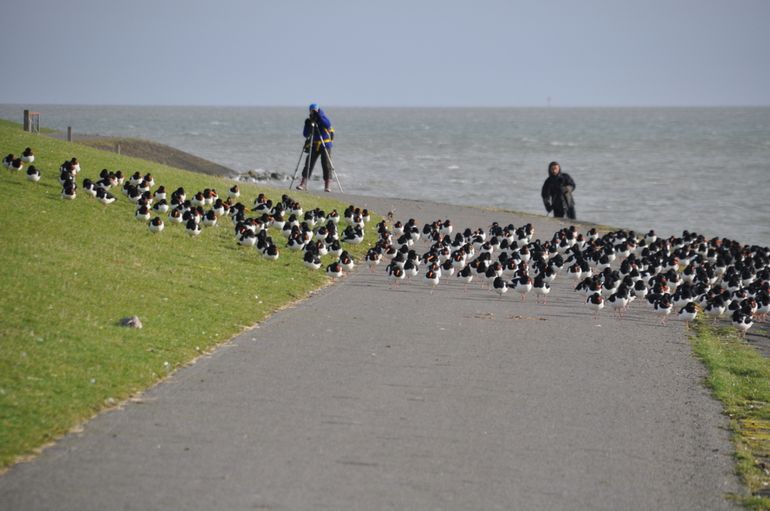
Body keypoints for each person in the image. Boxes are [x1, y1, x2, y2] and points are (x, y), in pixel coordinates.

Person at [296, 103, 335, 192]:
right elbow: (305, 134)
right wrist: (308, 124)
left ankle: (327, 185)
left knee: (326, 164)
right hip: (314, 144)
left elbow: (328, 125)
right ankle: (303, 183)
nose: (313, 112)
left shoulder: (323, 117)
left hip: (325, 144)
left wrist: (319, 118)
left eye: (315, 110)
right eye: (312, 110)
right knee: (308, 163)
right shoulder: (310, 120)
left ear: (318, 110)